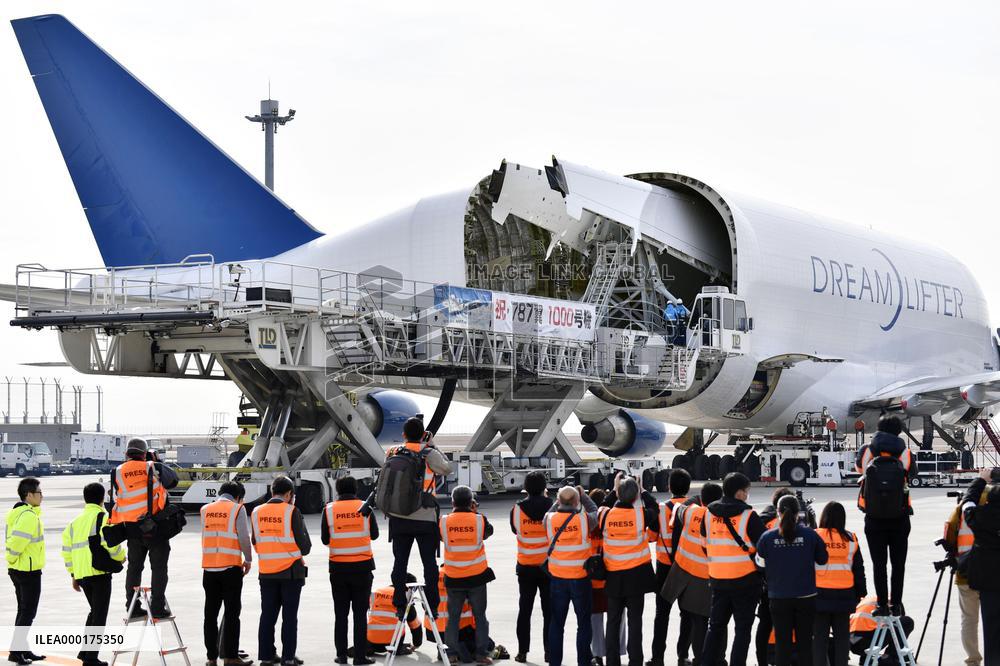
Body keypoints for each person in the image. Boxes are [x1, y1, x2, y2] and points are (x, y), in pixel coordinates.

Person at [387, 417, 453, 617]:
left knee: (400, 562)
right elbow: (447, 468)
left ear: (404, 434)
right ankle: (432, 605)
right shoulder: (430, 454)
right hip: (425, 516)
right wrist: (432, 444)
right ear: (423, 434)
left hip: (399, 515)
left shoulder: (393, 452)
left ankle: (399, 603)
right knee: (429, 563)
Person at [700, 473, 766, 666]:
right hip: (746, 581)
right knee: (742, 630)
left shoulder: (708, 514)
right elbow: (764, 548)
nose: (747, 495)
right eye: (746, 491)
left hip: (718, 579)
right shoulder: (749, 516)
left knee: (715, 627)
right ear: (739, 493)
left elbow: (704, 545)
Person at [109, 437, 179, 617]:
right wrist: (155, 462)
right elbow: (173, 481)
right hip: (154, 528)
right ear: (145, 453)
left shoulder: (117, 472)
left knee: (134, 568)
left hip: (131, 529)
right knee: (159, 568)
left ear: (127, 453)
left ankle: (132, 607)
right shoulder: (153, 467)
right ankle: (157, 608)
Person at [756, 494, 828, 666]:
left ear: (778, 512)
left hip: (779, 597)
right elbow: (823, 559)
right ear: (798, 513)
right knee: (805, 644)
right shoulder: (810, 535)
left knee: (782, 645)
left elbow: (760, 565)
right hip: (806, 596)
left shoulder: (767, 537)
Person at [62, 482, 125, 666]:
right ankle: (90, 658)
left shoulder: (74, 523)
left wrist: (73, 574)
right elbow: (111, 543)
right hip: (99, 573)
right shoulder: (103, 517)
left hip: (82, 575)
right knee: (99, 616)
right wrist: (121, 557)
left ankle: (85, 652)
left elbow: (67, 552)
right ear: (102, 498)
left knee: (94, 612)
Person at [662, 482, 725, 666]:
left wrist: (697, 499)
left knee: (695, 621)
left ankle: (692, 657)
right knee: (714, 622)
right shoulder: (721, 519)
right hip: (708, 576)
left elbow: (680, 508)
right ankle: (716, 659)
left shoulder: (691, 512)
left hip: (685, 572)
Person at [856, 415, 913, 615]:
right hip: (900, 516)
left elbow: (859, 469)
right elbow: (911, 473)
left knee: (878, 564)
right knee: (898, 565)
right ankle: (896, 603)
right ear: (898, 431)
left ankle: (881, 604)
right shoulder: (905, 452)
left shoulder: (867, 450)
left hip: (874, 517)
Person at [251, 475, 311, 666]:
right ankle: (288, 657)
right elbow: (305, 547)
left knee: (267, 616)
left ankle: (266, 656)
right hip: (290, 572)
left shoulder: (256, 512)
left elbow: (255, 541)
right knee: (289, 617)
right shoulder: (292, 511)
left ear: (272, 491)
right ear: (289, 494)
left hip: (266, 571)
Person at [321, 475, 378, 665]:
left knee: (341, 614)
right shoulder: (365, 507)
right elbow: (375, 535)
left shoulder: (329, 510)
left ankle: (341, 655)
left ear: (337, 490)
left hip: (338, 568)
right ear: (355, 489)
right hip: (362, 567)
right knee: (360, 615)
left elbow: (325, 539)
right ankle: (360, 657)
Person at [601, 476, 657, 666]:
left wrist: (613, 490)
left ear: (618, 493)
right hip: (636, 577)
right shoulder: (640, 515)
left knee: (612, 622)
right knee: (635, 623)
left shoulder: (604, 515)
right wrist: (643, 491)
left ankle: (612, 661)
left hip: (613, 575)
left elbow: (601, 505)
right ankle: (635, 661)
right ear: (635, 497)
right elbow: (655, 508)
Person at [440, 485, 495, 665]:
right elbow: (488, 532)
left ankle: (451, 654)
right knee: (480, 617)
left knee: (453, 618)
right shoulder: (479, 520)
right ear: (472, 502)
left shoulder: (444, 521)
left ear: (452, 502)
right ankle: (481, 654)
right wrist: (475, 512)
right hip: (476, 576)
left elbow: (440, 537)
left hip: (454, 576)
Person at [546, 486, 600, 666]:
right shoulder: (585, 520)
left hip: (557, 578)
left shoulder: (549, 519)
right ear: (577, 502)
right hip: (580, 578)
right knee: (583, 624)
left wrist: (560, 500)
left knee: (556, 624)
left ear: (558, 501)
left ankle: (555, 663)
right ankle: (583, 661)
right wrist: (583, 496)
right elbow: (595, 510)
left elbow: (551, 511)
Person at [201, 481, 253, 666]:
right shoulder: (237, 509)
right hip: (230, 568)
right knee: (232, 614)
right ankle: (230, 657)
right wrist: (248, 559)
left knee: (210, 615)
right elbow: (244, 537)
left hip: (209, 569)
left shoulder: (205, 509)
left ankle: (211, 658)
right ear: (237, 497)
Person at [812, 501, 866, 666]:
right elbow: (858, 568)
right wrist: (861, 593)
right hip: (844, 594)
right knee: (842, 639)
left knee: (819, 639)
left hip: (819, 594)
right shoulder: (851, 538)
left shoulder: (815, 535)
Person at [648, 469, 693, 666]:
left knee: (662, 614)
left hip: (665, 567)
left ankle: (657, 657)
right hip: (687, 566)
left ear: (669, 487)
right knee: (687, 613)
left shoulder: (661, 509)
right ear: (688, 488)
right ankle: (683, 655)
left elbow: (651, 537)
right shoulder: (695, 509)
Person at [510, 471, 553, 663]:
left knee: (525, 610)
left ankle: (522, 651)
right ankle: (549, 651)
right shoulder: (552, 507)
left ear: (525, 488)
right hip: (547, 566)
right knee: (549, 611)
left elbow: (515, 530)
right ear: (544, 487)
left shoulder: (517, 509)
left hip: (526, 565)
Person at [960, 469, 1000, 664]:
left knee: (988, 626)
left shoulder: (981, 515)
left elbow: (967, 503)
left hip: (986, 578)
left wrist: (979, 481)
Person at [6, 477, 46, 666]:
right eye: (39, 493)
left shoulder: (18, 512)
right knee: (28, 612)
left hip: (19, 569)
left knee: (23, 611)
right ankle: (16, 652)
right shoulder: (28, 516)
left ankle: (22, 648)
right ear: (29, 495)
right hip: (27, 571)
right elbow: (16, 542)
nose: (42, 496)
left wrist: (13, 561)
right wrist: (12, 557)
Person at [945, 482, 985, 666]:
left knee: (969, 620)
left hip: (965, 571)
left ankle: (973, 660)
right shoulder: (994, 503)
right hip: (991, 573)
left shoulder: (961, 508)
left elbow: (949, 536)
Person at [589, 489, 624, 666]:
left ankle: (597, 654)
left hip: (593, 581)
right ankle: (616, 649)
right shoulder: (611, 523)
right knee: (617, 617)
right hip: (612, 578)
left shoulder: (587, 526)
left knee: (595, 619)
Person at [848, 595, 913, 665]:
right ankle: (888, 658)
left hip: (852, 644)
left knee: (874, 626)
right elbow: (898, 623)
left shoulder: (868, 600)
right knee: (907, 622)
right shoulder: (891, 603)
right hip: (865, 643)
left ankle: (865, 658)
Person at [366, 576, 422, 655]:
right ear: (409, 588)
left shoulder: (377, 592)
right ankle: (398, 649)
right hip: (392, 643)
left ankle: (365, 648)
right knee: (402, 622)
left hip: (371, 641)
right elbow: (415, 625)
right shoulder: (404, 598)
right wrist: (417, 644)